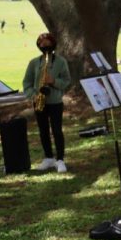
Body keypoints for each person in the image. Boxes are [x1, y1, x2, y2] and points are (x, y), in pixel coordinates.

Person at [22, 33, 72, 173]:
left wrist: (53, 82)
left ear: (53, 44)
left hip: (55, 102)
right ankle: (48, 157)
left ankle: (60, 159)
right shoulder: (34, 63)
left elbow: (67, 81)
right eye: (41, 44)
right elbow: (27, 83)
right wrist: (34, 95)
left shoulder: (61, 62)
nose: (44, 46)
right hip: (39, 101)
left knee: (57, 130)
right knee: (43, 130)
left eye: (47, 43)